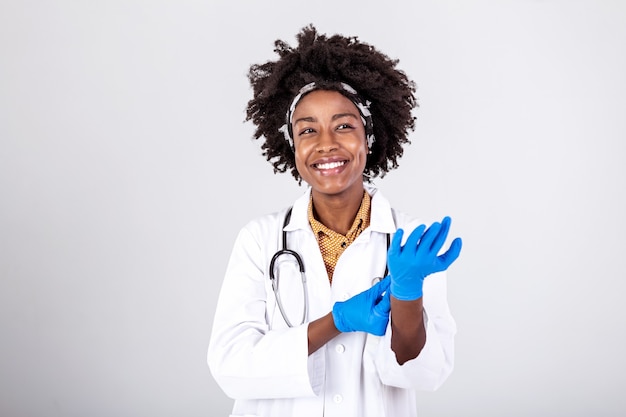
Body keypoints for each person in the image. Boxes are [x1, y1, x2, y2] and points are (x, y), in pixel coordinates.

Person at [207, 25, 463, 417]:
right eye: (308, 130)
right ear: (292, 145)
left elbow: (424, 372)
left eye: (344, 125)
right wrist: (337, 321)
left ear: (369, 137)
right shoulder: (260, 240)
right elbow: (230, 365)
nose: (326, 143)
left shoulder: (410, 241)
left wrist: (407, 293)